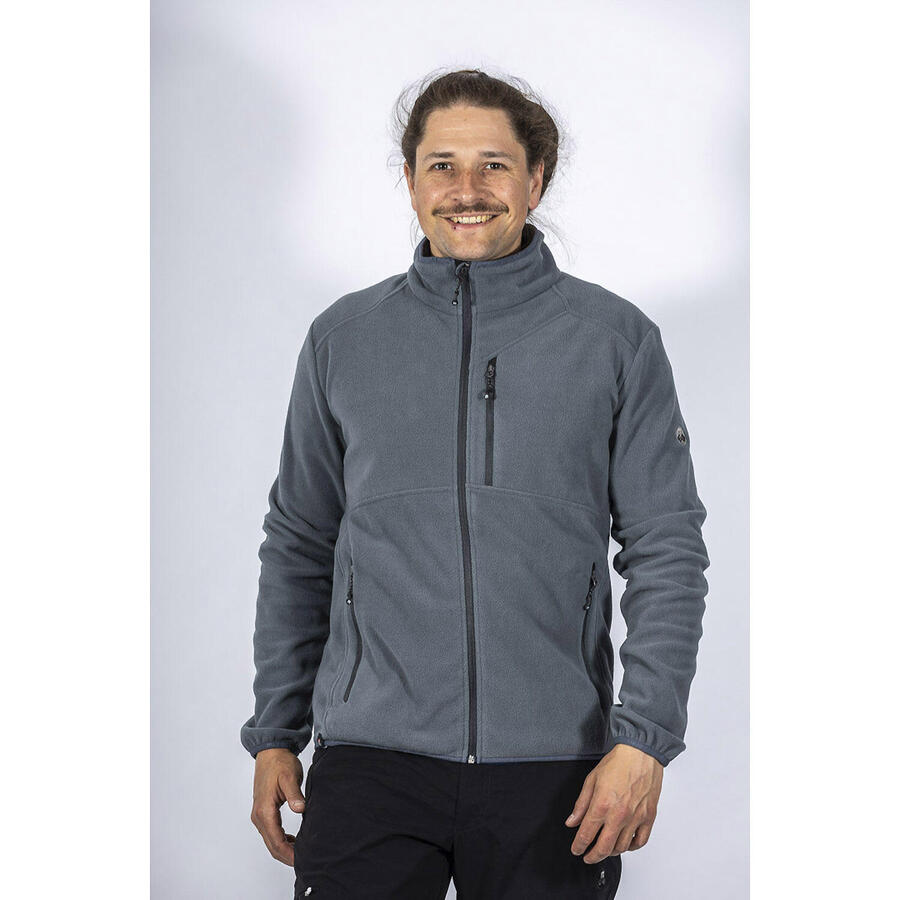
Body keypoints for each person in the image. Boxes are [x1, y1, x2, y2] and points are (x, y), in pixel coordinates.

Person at [241, 68, 710, 900]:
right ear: (411, 181)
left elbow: (666, 547)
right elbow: (300, 542)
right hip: (370, 759)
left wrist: (643, 740)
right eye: (441, 165)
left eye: (494, 164)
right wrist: (276, 730)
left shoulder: (614, 340)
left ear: (536, 179)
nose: (467, 190)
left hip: (555, 765)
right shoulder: (344, 340)